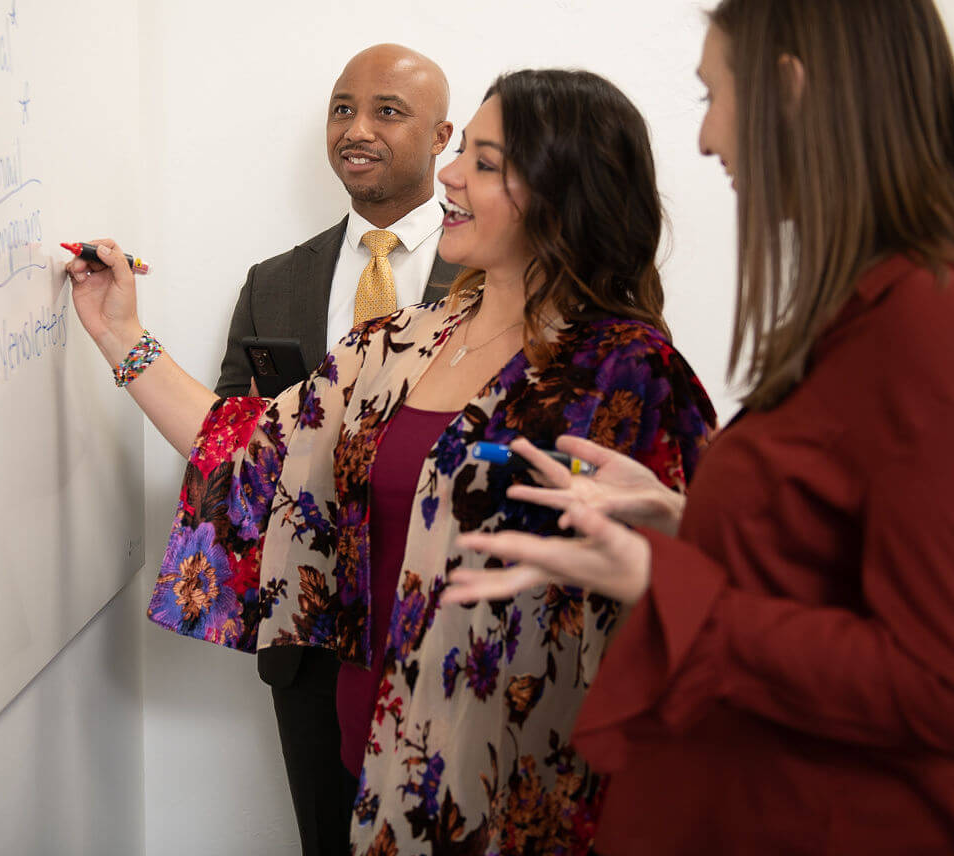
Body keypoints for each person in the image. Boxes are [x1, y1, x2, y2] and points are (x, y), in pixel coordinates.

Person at [445, 0, 954, 855]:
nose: (704, 137)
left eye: (712, 96)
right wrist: (678, 522)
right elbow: (836, 559)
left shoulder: (947, 327)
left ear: (789, 87)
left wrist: (667, 580)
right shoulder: (876, 308)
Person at [67, 68, 716, 854]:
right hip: (366, 752)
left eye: (482, 160)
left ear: (559, 192)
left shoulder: (622, 371)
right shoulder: (402, 341)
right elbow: (249, 443)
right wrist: (118, 336)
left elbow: (678, 606)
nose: (448, 175)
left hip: (516, 789)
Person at [213, 43, 462, 856]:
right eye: (342, 109)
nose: (357, 129)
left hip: (447, 627)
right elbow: (227, 446)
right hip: (310, 638)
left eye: (388, 111)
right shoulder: (274, 282)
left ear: (441, 137)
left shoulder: (492, 276)